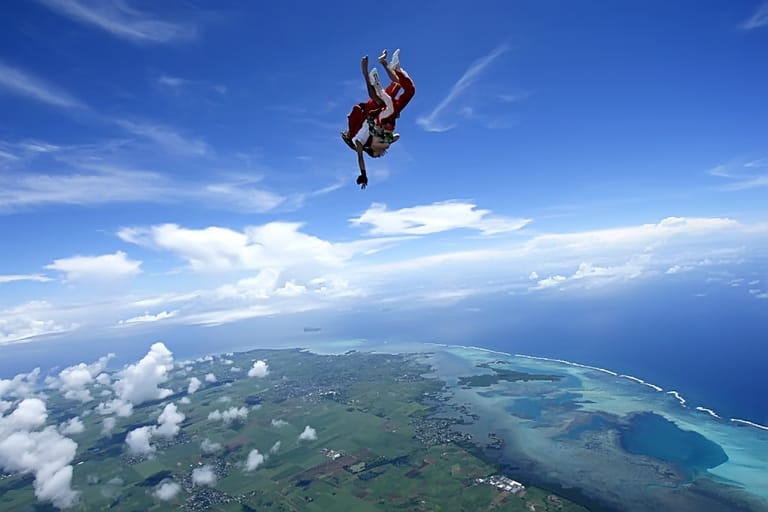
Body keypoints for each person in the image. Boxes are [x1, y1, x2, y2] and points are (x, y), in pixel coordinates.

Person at [341, 49, 415, 189]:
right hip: (381, 114)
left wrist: (363, 174)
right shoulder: (377, 139)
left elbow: (360, 158)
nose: (381, 152)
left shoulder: (359, 142)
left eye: (378, 154)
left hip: (370, 113)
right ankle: (385, 62)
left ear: (372, 152)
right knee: (400, 84)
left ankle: (370, 78)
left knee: (377, 100)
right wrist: (390, 140)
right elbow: (396, 136)